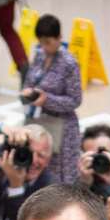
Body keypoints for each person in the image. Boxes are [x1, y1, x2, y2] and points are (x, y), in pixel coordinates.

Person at [20, 14, 84, 187]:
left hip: (62, 128)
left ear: (59, 38)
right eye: (41, 42)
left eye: (48, 42)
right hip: (38, 123)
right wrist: (28, 92)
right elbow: (29, 80)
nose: (45, 47)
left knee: (60, 179)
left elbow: (75, 100)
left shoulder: (69, 63)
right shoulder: (39, 55)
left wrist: (47, 100)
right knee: (36, 170)